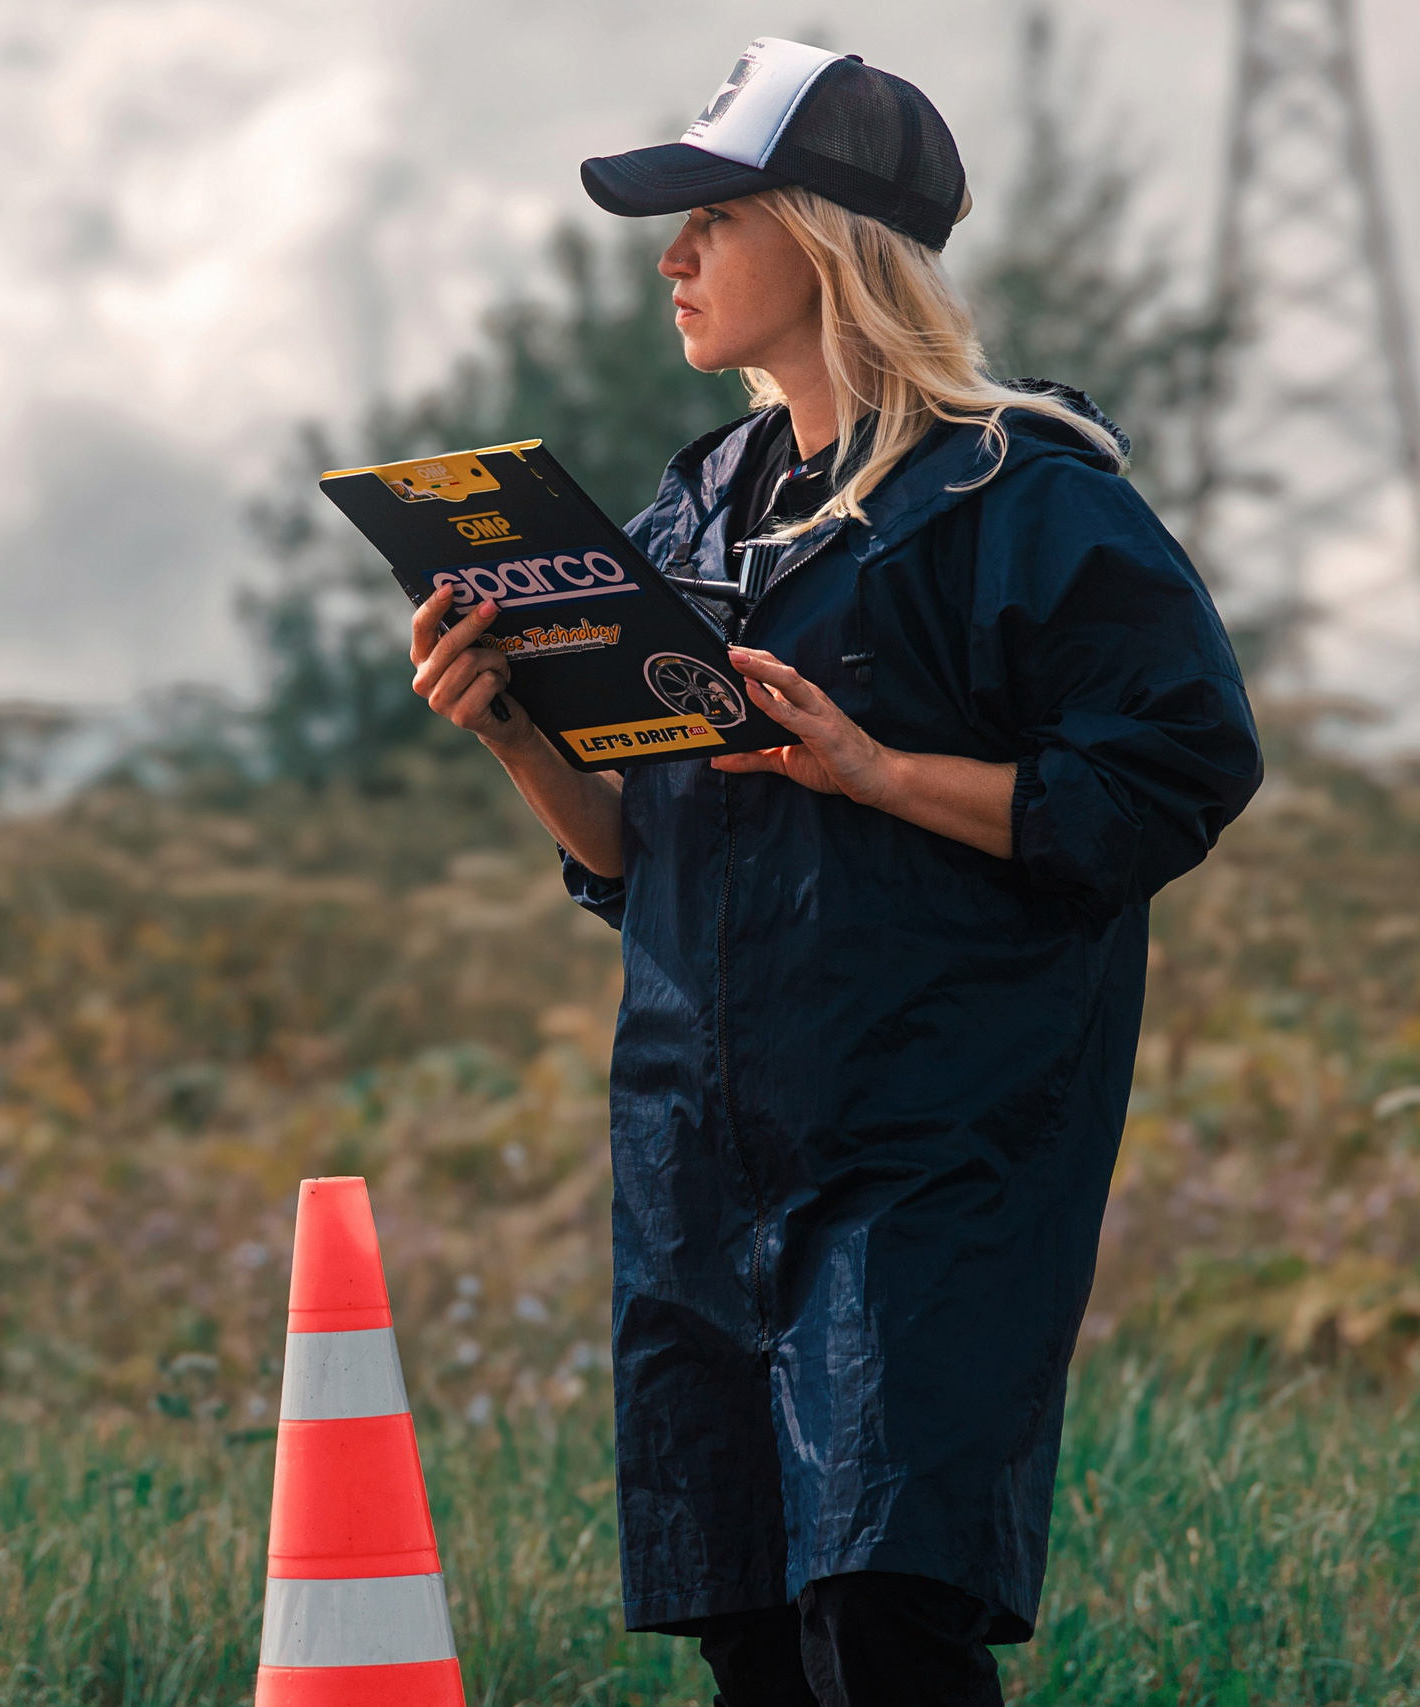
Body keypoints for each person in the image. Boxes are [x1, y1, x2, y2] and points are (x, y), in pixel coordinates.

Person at [405, 38, 1264, 1707]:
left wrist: (875, 771)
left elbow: (1172, 777)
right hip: (701, 1151)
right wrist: (510, 730)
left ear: (826, 235)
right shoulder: (692, 514)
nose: (673, 258)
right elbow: (635, 851)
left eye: (712, 220)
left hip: (933, 1150)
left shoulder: (1020, 493)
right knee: (750, 1631)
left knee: (881, 1613)